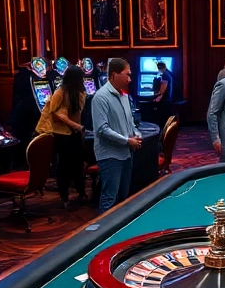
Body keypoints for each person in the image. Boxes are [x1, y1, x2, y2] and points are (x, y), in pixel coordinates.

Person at [91, 58, 142, 212]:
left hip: (126, 154)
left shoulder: (124, 96)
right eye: (126, 75)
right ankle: (103, 234)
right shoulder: (100, 97)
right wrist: (127, 141)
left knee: (124, 198)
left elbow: (130, 123)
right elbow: (101, 129)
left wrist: (136, 135)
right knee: (109, 199)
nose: (129, 79)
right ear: (114, 75)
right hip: (110, 156)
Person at [36, 65, 88, 210]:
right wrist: (74, 125)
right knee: (64, 167)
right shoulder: (60, 92)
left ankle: (81, 192)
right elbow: (55, 113)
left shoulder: (79, 92)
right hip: (62, 134)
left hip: (75, 133)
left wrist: (77, 127)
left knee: (78, 164)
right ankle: (64, 196)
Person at [153, 61, 173, 126]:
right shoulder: (169, 73)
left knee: (163, 114)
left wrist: (159, 95)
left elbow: (164, 86)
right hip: (169, 97)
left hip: (165, 98)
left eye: (159, 68)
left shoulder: (165, 75)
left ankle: (162, 128)